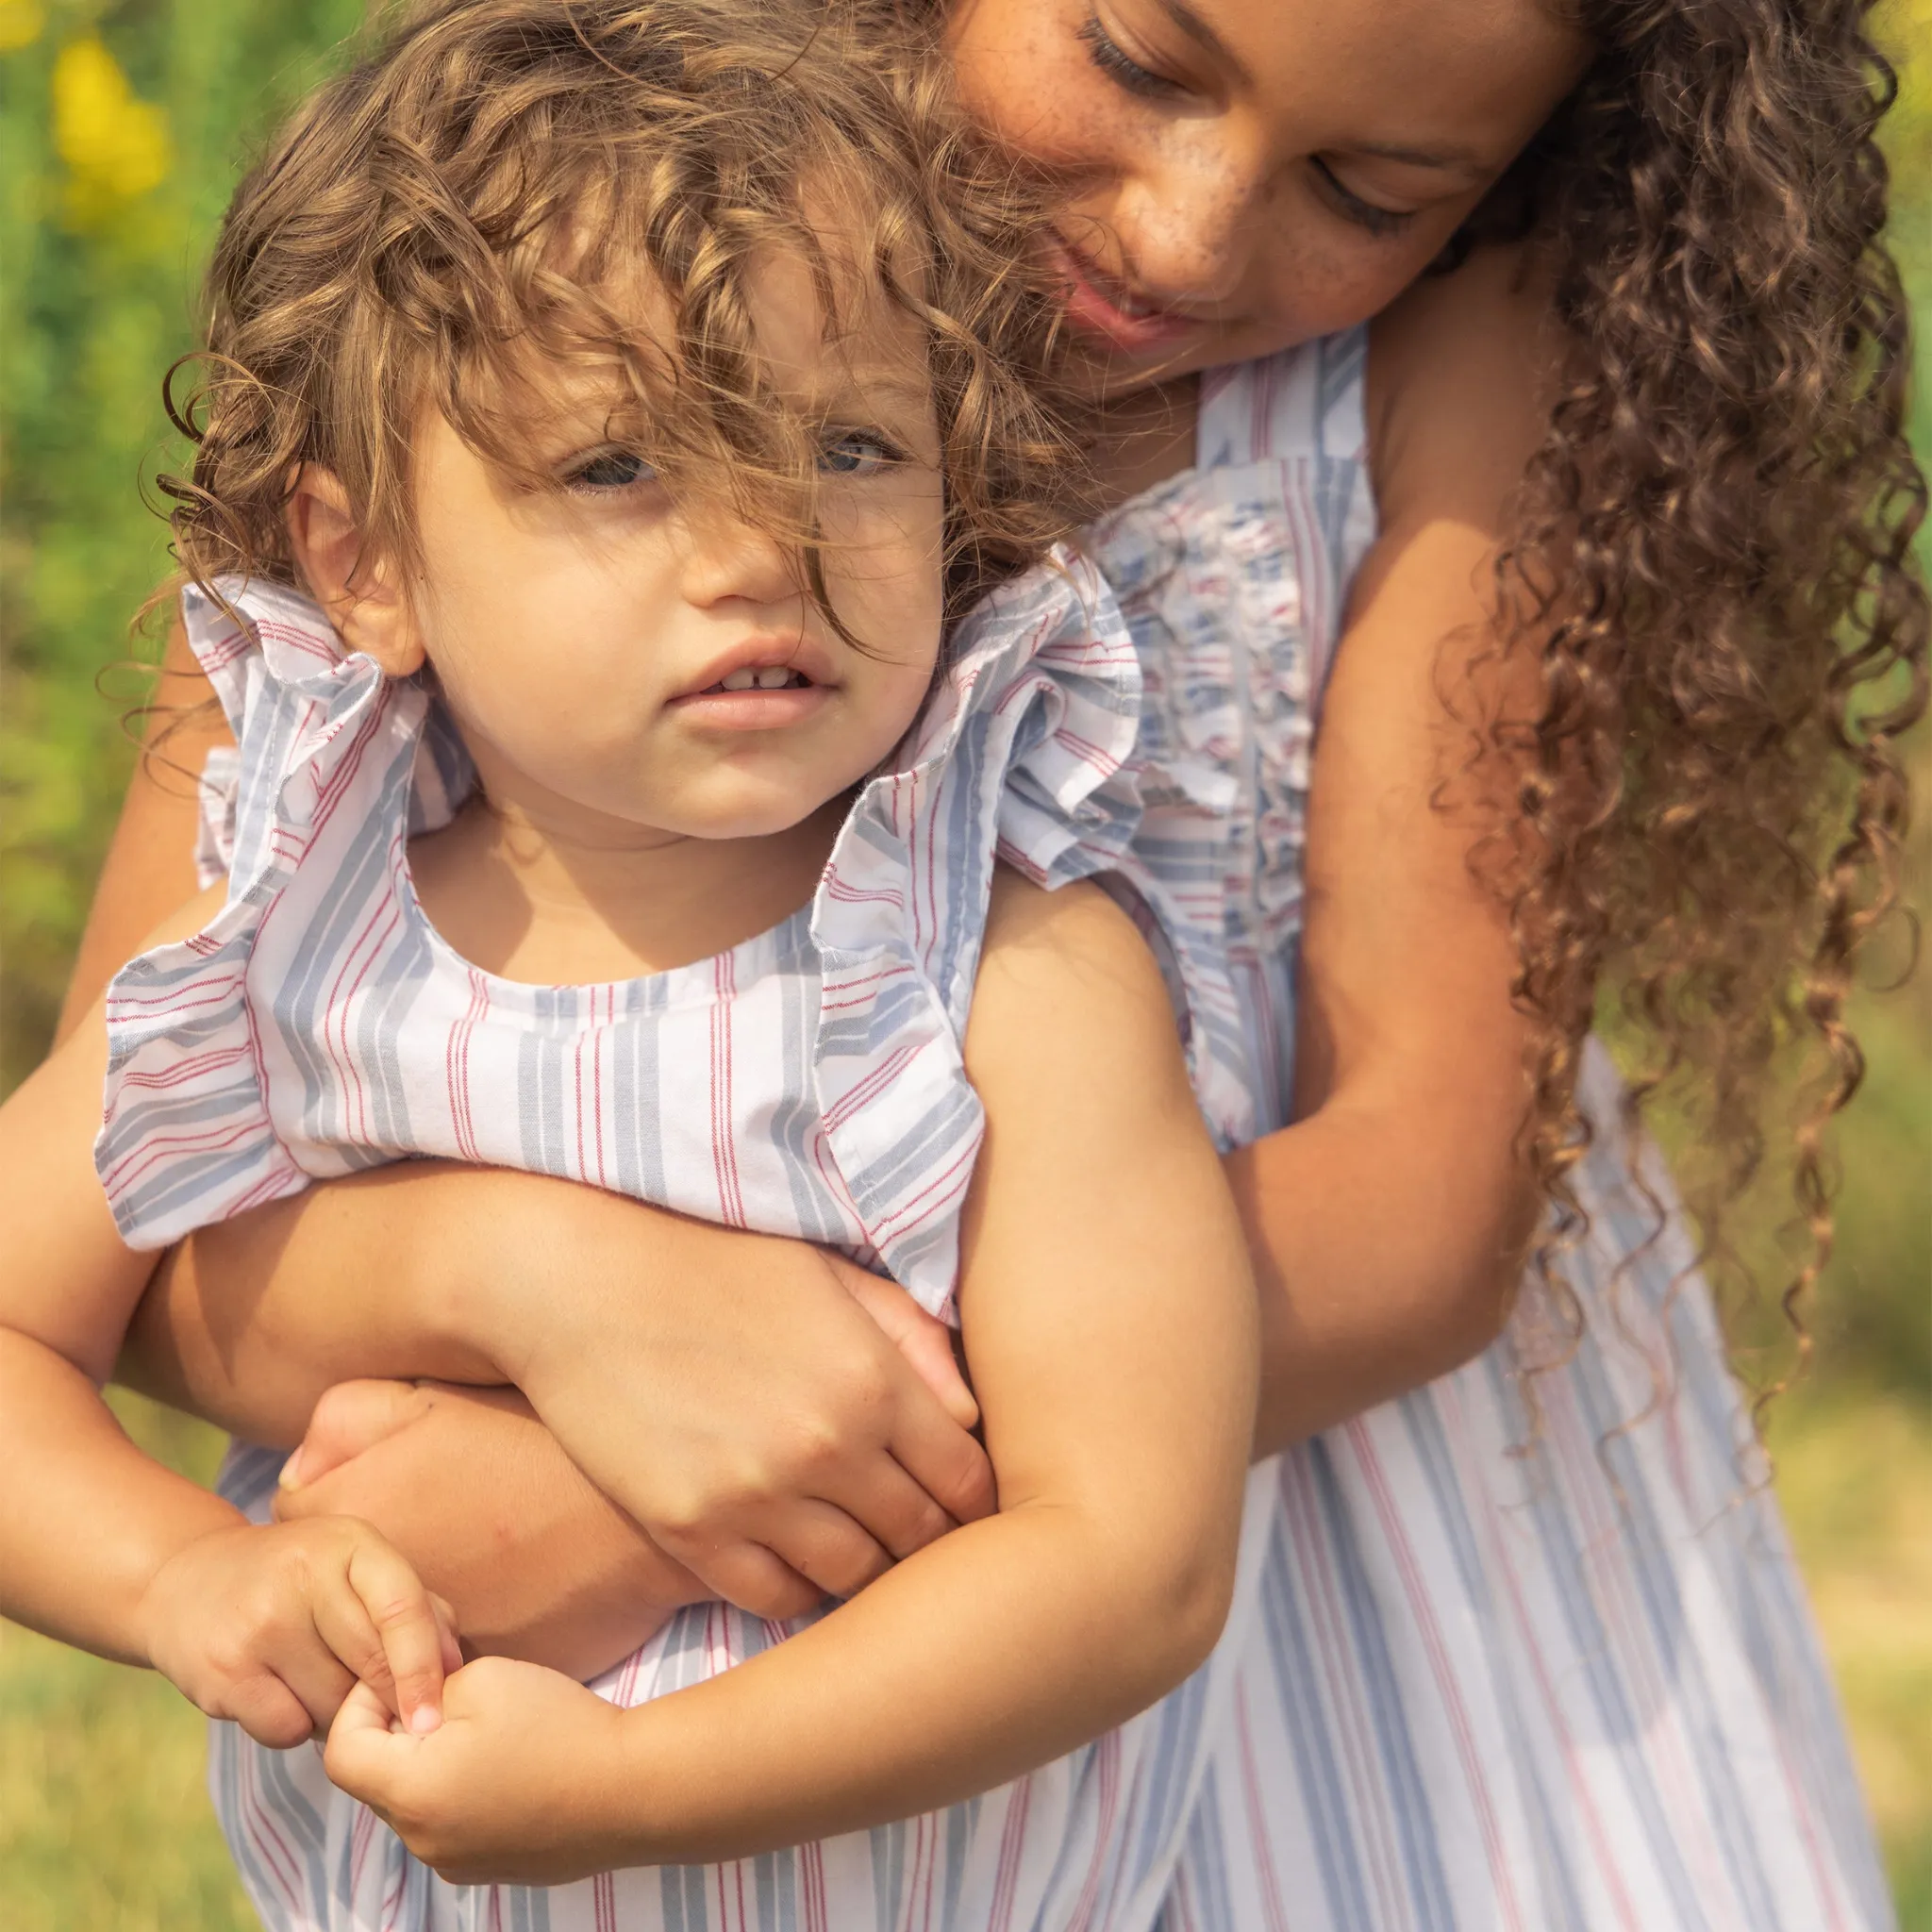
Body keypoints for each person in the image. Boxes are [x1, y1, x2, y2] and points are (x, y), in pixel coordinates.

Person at [60, 0, 1922, 1927]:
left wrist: (646, 1490)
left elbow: (1425, 1204)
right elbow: (145, 1178)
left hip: (1336, 1543)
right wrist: (519, 1286)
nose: (1188, 235)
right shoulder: (478, 254)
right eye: (1133, 60)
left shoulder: (1455, 346)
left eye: (1369, 188)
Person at [0, 0, 1272, 1919]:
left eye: (848, 442)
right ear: (367, 569)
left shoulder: (1011, 981)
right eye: (618, 466)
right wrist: (182, 1574)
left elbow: (1135, 1557)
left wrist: (634, 1783)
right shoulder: (286, 936)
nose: (762, 543)